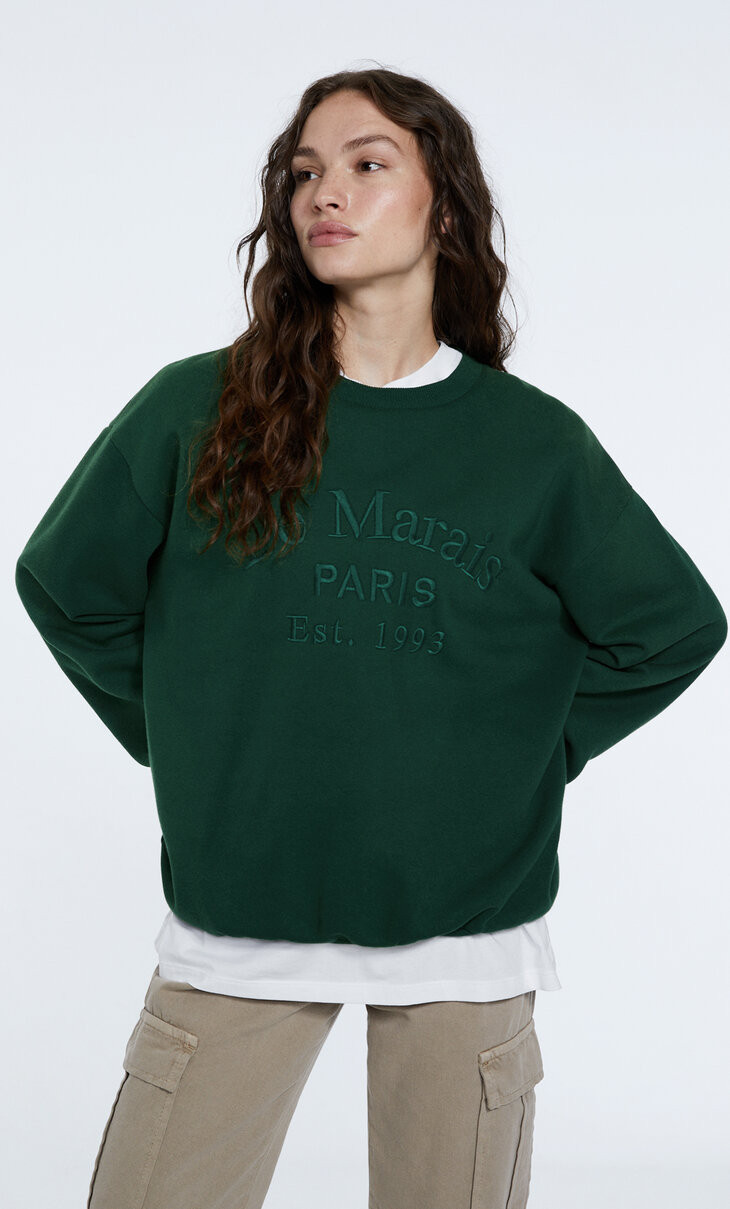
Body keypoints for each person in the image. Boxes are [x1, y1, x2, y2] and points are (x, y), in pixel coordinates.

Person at [14, 66, 727, 1209]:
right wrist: (190, 734)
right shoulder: (194, 409)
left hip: (464, 932)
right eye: (304, 173)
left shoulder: (530, 446)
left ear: (444, 206)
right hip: (239, 918)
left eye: (366, 164)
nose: (325, 194)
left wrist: (527, 753)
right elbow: (67, 585)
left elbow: (670, 626)